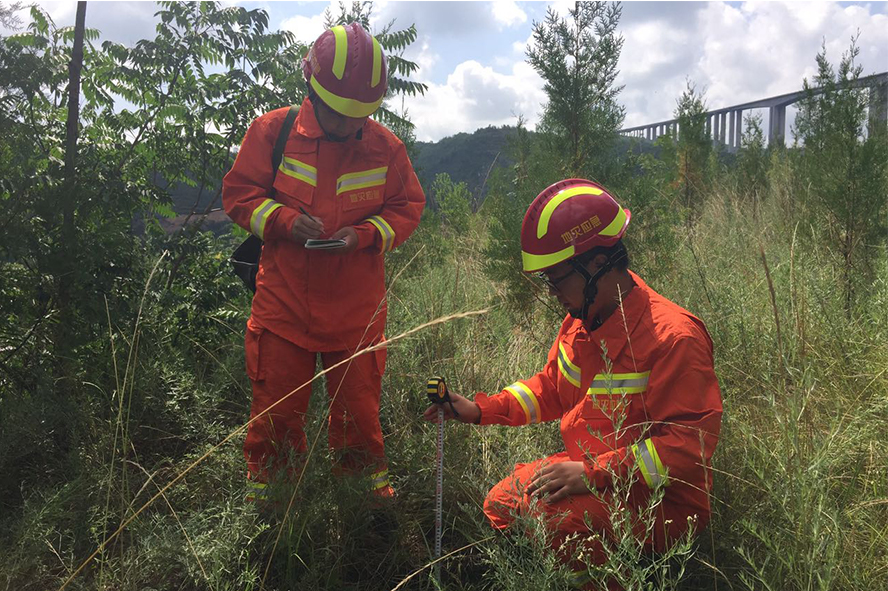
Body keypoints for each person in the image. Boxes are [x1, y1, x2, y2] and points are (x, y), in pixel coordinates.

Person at [424, 178, 722, 580]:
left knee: (554, 519)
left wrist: (593, 474)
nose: (552, 291)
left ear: (597, 264)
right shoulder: (583, 320)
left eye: (557, 278)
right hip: (590, 476)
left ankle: (625, 578)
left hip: (660, 503)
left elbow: (688, 449)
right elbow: (550, 388)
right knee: (503, 502)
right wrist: (481, 410)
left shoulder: (674, 339)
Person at [223, 23, 425, 500]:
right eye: (337, 112)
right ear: (311, 88)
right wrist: (285, 222)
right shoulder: (272, 132)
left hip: (356, 314)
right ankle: (270, 504)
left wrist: (362, 236)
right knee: (275, 417)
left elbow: (406, 208)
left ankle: (364, 505)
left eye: (359, 115)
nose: (347, 125)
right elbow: (239, 195)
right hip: (283, 308)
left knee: (359, 419)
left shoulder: (386, 148)